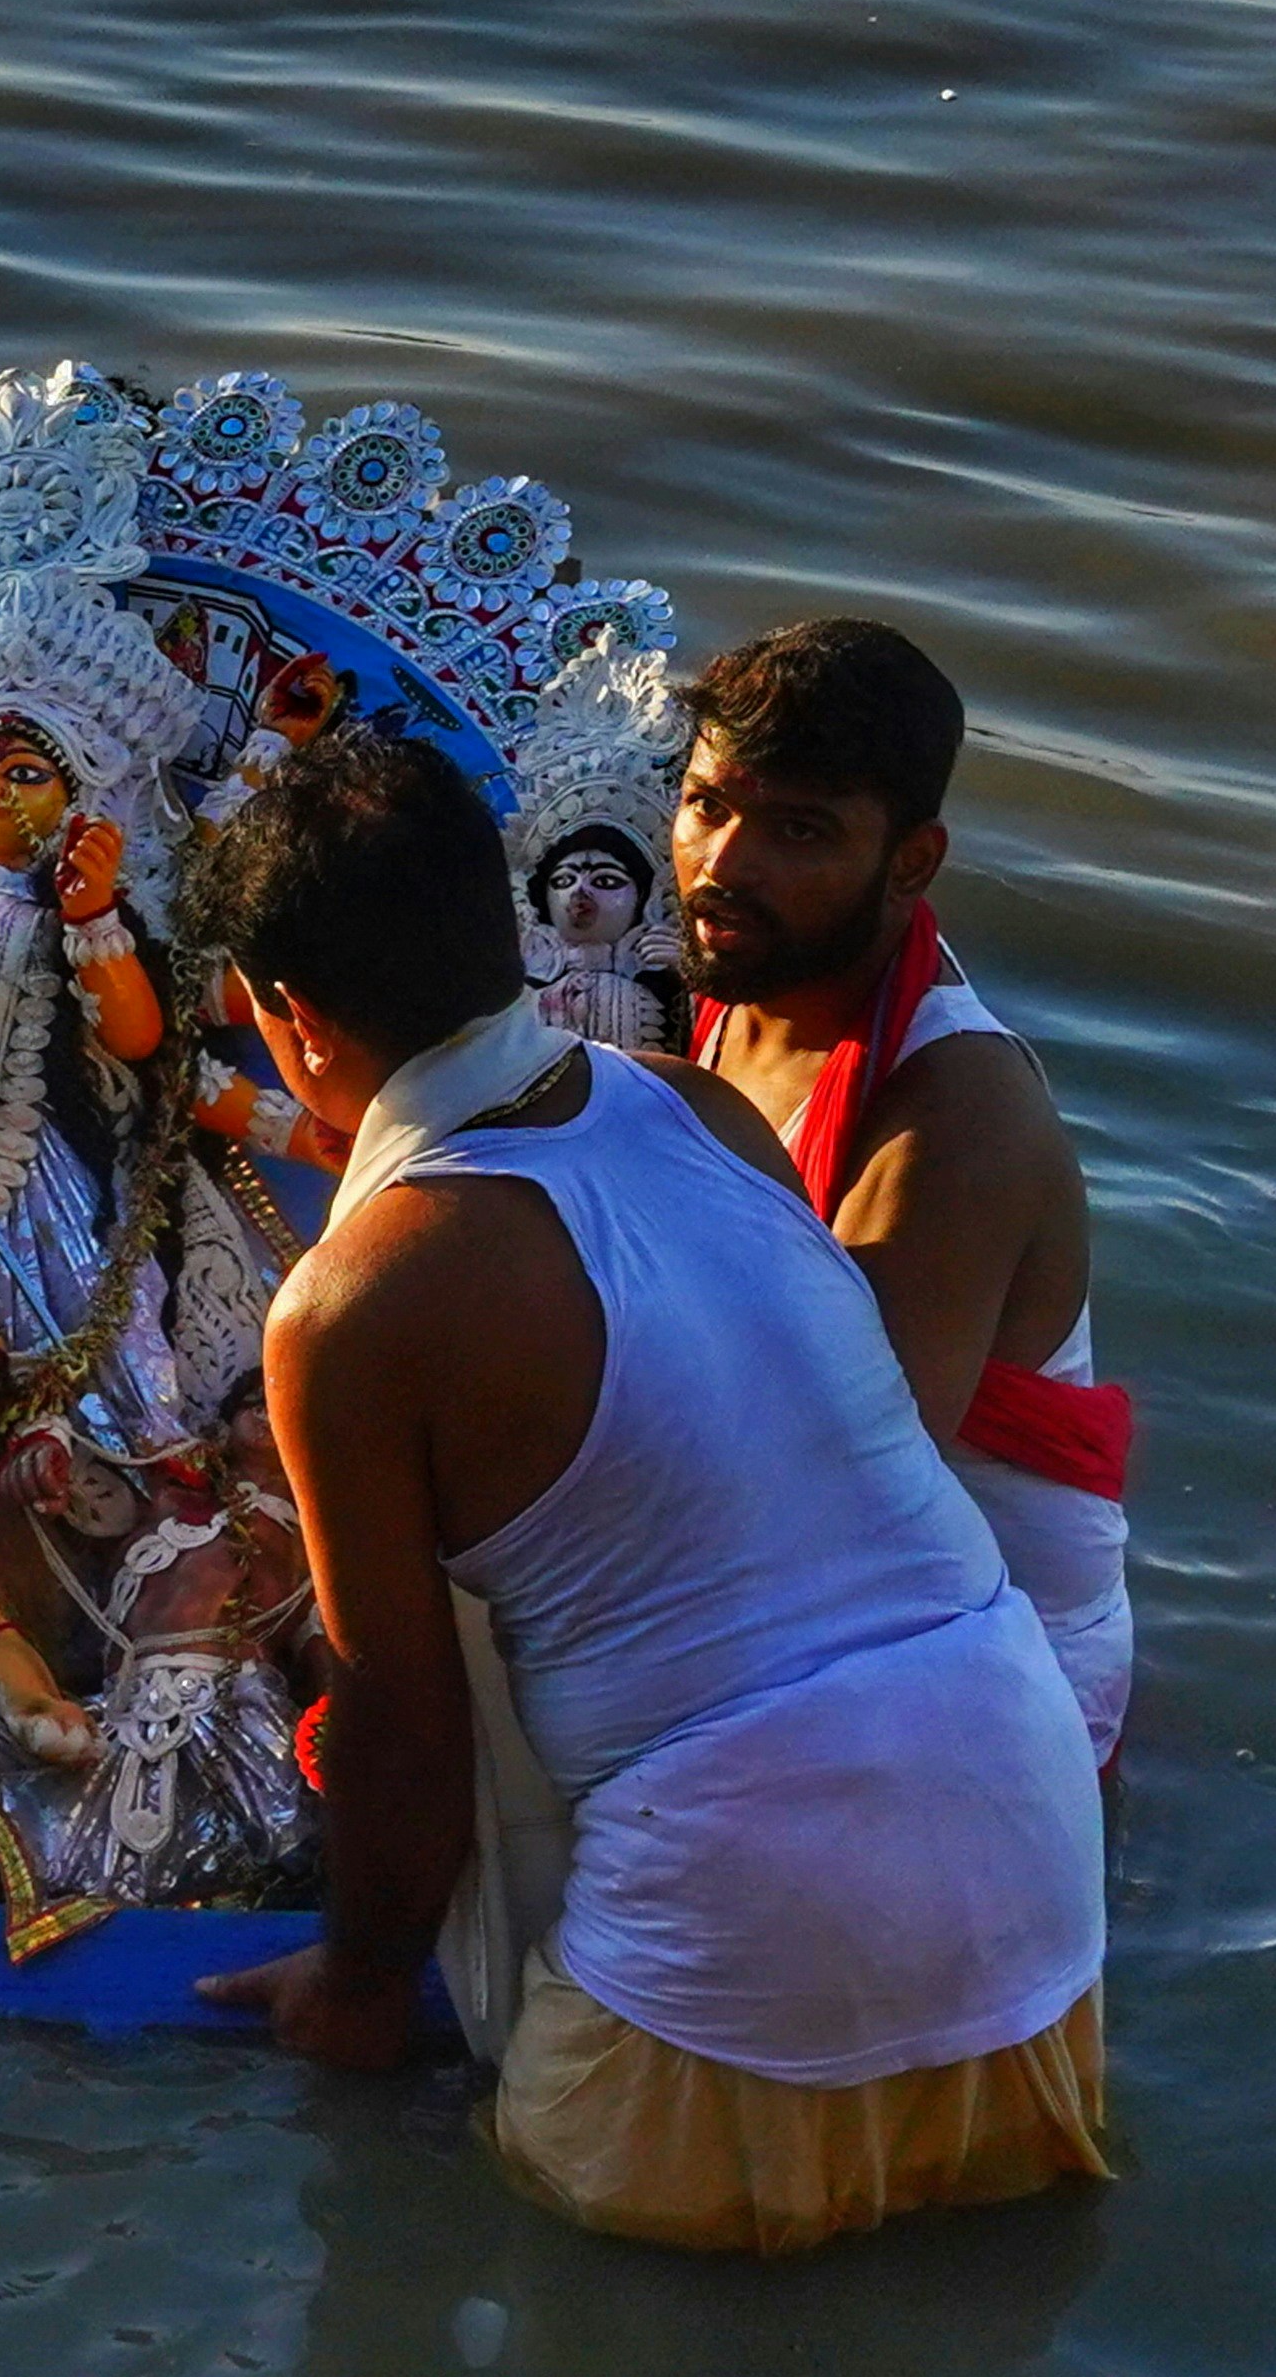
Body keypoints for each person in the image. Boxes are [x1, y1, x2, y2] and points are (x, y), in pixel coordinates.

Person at [190, 726, 1109, 2255]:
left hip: (744, 1912)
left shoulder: (354, 1307)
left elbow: (400, 1721)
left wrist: (355, 1997)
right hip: (1028, 1837)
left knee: (569, 2322)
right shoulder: (700, 1106)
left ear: (292, 1023)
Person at [671, 619, 1138, 1770]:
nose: (726, 863)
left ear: (913, 861)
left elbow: (846, 1500)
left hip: (987, 1676)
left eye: (801, 831)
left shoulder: (953, 1120)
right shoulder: (747, 981)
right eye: (708, 806)